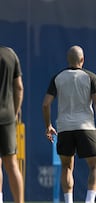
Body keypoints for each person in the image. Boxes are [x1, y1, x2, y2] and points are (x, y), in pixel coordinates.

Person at [42, 45, 96, 203]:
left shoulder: (58, 77)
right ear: (82, 60)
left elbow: (45, 104)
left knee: (66, 167)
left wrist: (48, 126)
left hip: (64, 129)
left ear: (67, 59)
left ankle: (68, 201)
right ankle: (89, 200)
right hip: (86, 127)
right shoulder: (91, 77)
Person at [0, 46, 24, 203]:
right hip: (7, 117)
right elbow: (19, 87)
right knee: (12, 164)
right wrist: (14, 113)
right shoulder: (10, 54)